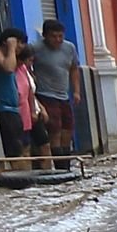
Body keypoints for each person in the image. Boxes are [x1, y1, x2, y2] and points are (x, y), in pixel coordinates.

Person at [29, 19, 81, 168]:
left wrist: (76, 91)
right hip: (46, 95)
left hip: (64, 95)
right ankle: (59, 167)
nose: (58, 40)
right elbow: (25, 65)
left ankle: (66, 165)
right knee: (55, 130)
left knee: (67, 129)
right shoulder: (36, 48)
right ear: (45, 36)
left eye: (60, 36)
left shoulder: (69, 48)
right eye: (53, 36)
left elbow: (73, 68)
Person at [0, 30, 25, 166]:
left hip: (14, 110)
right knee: (14, 151)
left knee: (21, 148)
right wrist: (12, 48)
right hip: (4, 110)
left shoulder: (10, 56)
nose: (21, 47)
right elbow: (8, 68)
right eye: (19, 43)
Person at [13, 43, 44, 170]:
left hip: (27, 113)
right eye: (29, 60)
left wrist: (35, 109)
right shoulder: (13, 71)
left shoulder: (24, 70)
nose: (30, 64)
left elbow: (30, 91)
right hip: (17, 113)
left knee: (28, 147)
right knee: (21, 148)